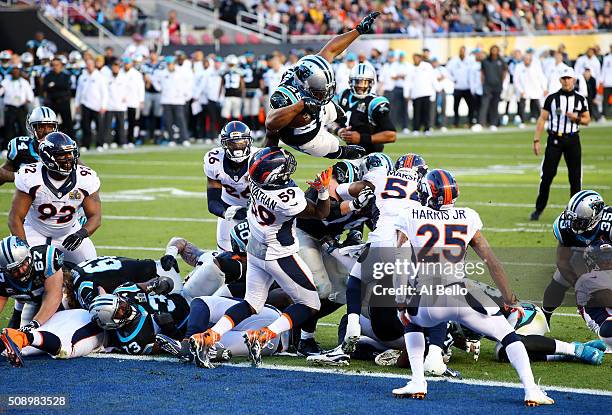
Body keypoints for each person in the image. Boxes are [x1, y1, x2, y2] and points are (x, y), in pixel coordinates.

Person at [391, 169, 553, 406]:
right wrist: (509, 297)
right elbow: (492, 262)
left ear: (428, 192)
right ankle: (531, 389)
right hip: (462, 295)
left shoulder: (409, 214)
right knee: (507, 335)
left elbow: (400, 259)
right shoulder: (467, 216)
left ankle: (418, 380)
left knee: (411, 321)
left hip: (429, 301)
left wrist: (400, 301)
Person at [188, 147, 331, 368]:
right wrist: (322, 191)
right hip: (279, 254)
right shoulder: (288, 198)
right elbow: (321, 212)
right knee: (310, 303)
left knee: (251, 303)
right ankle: (264, 335)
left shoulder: (254, 183)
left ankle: (208, 337)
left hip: (255, 249)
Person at [264, 12, 380, 159]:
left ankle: (341, 126)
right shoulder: (284, 94)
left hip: (317, 108)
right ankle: (341, 152)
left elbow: (331, 49)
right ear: (304, 86)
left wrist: (358, 30)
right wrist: (300, 106)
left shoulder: (311, 69)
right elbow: (271, 123)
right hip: (302, 134)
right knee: (331, 146)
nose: (324, 94)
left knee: (342, 114)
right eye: (318, 91)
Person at [8, 132, 101, 265]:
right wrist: (24, 246)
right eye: (62, 154)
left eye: (71, 153)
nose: (68, 158)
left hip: (69, 232)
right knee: (19, 263)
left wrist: (81, 233)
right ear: (47, 158)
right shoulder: (31, 177)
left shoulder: (85, 178)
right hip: (34, 231)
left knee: (91, 266)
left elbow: (95, 216)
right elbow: (15, 218)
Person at [541, 190, 611, 325]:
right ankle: (544, 316)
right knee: (560, 280)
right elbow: (562, 261)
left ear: (595, 218)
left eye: (579, 222)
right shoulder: (564, 226)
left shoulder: (609, 224)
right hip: (581, 255)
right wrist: (579, 284)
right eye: (572, 219)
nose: (573, 224)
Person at [156, 296, 286, 367]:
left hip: (270, 322)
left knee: (200, 343)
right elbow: (201, 303)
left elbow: (201, 303)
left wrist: (186, 337)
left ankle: (191, 349)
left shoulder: (198, 314)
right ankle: (199, 351)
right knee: (202, 345)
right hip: (272, 340)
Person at [531, 66, 590, 221]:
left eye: (568, 78)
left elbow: (587, 120)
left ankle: (576, 213)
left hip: (572, 139)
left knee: (575, 177)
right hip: (554, 140)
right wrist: (536, 139)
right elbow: (542, 119)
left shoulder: (580, 99)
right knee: (547, 175)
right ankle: (539, 209)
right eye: (563, 78)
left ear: (574, 79)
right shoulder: (552, 98)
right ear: (560, 80)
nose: (566, 81)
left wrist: (575, 119)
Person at [204, 121, 255, 251]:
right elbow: (213, 201)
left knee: (259, 256)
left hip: (257, 214)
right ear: (224, 144)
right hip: (229, 212)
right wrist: (224, 212)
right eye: (232, 143)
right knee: (224, 257)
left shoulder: (258, 159)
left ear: (249, 142)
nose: (238, 147)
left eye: (241, 142)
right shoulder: (214, 160)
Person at [0, 236, 63, 331]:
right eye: (14, 270)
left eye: (23, 264)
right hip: (34, 301)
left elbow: (54, 295)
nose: (21, 271)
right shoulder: (2, 277)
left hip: (65, 294)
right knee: (22, 336)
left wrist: (35, 323)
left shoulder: (45, 258)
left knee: (54, 330)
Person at [335, 62, 396, 154]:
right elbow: (333, 122)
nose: (360, 86)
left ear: (371, 83)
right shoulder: (344, 95)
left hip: (372, 155)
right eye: (357, 82)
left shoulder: (375, 103)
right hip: (350, 153)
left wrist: (361, 138)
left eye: (364, 82)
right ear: (350, 82)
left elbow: (391, 135)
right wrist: (339, 131)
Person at [0, 106, 58, 185]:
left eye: (50, 127)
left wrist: (17, 177)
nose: (46, 131)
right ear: (31, 128)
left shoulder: (63, 147)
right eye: (41, 127)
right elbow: (3, 175)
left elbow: (80, 173)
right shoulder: (20, 148)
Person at [155, 56, 189, 145]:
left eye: (171, 64)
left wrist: (185, 95)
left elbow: (186, 84)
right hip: (166, 100)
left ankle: (184, 138)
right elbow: (155, 80)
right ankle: (171, 139)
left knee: (180, 119)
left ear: (174, 64)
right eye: (168, 64)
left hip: (178, 100)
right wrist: (159, 88)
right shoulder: (162, 73)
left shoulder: (180, 73)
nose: (170, 66)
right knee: (168, 120)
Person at [42, 58, 74, 138]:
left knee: (68, 123)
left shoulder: (66, 76)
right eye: (53, 65)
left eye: (57, 65)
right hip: (53, 103)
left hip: (64, 102)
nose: (55, 67)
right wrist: (57, 86)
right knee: (50, 124)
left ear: (61, 66)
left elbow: (66, 86)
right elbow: (45, 87)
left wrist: (54, 85)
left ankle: (72, 142)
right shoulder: (48, 76)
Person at [1, 65, 34, 141]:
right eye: (14, 71)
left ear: (19, 72)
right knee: (9, 129)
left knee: (23, 128)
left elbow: (30, 97)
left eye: (17, 71)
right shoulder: (6, 81)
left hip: (21, 108)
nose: (15, 72)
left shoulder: (24, 82)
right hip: (10, 108)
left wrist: (23, 101)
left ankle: (25, 146)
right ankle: (8, 147)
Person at [101, 59, 129, 149]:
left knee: (121, 125)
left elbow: (128, 89)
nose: (115, 69)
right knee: (107, 125)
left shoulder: (124, 77)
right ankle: (106, 141)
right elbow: (104, 91)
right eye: (113, 67)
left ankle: (122, 142)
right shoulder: (107, 78)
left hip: (120, 105)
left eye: (117, 67)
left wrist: (126, 97)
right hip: (109, 105)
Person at [479, 45, 506, 130]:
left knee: (495, 105)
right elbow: (482, 73)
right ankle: (481, 123)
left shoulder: (501, 61)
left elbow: (504, 72)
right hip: (487, 86)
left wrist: (502, 83)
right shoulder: (485, 61)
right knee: (484, 104)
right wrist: (483, 83)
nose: (494, 52)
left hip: (497, 86)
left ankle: (494, 123)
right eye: (492, 50)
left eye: (496, 50)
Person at [410, 53, 436, 135]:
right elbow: (409, 82)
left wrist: (435, 89)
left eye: (417, 58)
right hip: (416, 94)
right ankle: (416, 129)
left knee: (426, 113)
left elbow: (432, 78)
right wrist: (407, 93)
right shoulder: (411, 68)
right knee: (416, 113)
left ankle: (427, 128)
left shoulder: (427, 66)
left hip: (426, 92)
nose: (415, 60)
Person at [447, 46, 472, 127]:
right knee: (456, 106)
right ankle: (455, 123)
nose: (462, 53)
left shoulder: (470, 60)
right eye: (461, 51)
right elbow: (447, 71)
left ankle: (469, 122)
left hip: (467, 87)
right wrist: (453, 79)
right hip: (457, 87)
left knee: (470, 106)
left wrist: (470, 81)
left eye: (464, 51)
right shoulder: (454, 61)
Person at [123, 57, 144, 146]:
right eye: (125, 63)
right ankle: (121, 139)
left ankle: (131, 140)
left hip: (133, 101)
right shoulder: (120, 73)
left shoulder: (136, 74)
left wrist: (141, 100)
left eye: (128, 63)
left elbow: (141, 87)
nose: (126, 65)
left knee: (132, 121)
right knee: (121, 122)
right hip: (121, 102)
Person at [220, 55, 244, 128]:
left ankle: (235, 131)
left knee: (236, 115)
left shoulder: (239, 72)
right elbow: (222, 84)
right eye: (230, 64)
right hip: (227, 96)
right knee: (225, 115)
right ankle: (224, 131)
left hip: (237, 95)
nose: (231, 66)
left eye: (232, 64)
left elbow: (242, 84)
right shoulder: (224, 72)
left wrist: (242, 94)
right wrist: (220, 95)